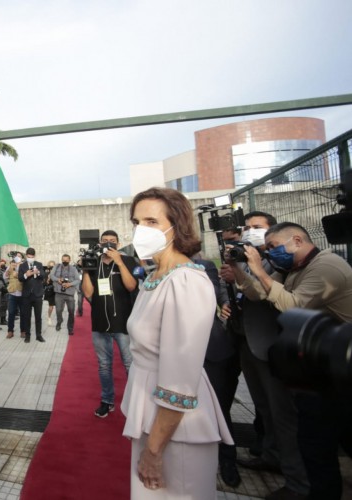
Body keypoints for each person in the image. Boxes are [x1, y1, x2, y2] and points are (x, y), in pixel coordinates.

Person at [121, 187, 232, 498]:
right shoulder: (156, 278)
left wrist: (154, 451)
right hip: (149, 413)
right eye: (136, 221)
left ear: (177, 225)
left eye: (152, 221)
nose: (141, 229)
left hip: (173, 428)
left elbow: (180, 380)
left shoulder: (186, 281)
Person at [231, 221, 352, 500]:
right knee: (316, 439)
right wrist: (240, 270)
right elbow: (262, 293)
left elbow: (292, 306)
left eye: (274, 247)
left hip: (337, 370)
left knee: (319, 440)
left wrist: (260, 269)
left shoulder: (326, 266)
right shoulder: (296, 269)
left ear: (297, 240)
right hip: (320, 367)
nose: (271, 253)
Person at [220, 212, 310, 500]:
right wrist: (237, 274)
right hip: (250, 343)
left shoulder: (286, 263)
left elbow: (284, 302)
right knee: (266, 410)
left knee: (284, 417)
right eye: (247, 227)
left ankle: (298, 482)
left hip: (274, 348)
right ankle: (271, 456)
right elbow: (252, 294)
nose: (250, 232)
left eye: (256, 228)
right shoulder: (262, 259)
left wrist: (255, 268)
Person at [196, 254, 242, 488]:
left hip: (210, 350)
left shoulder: (203, 266)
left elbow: (213, 293)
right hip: (176, 352)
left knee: (219, 409)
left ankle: (227, 461)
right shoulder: (154, 270)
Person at [81, 230, 138, 419]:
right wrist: (86, 271)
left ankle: (136, 403)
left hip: (123, 322)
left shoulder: (128, 261)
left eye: (112, 241)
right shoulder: (94, 262)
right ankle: (107, 401)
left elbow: (131, 286)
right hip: (100, 322)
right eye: (104, 241)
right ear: (99, 242)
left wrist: (119, 261)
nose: (108, 244)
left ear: (118, 243)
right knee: (104, 365)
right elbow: (88, 293)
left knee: (130, 364)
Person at [18, 247, 46, 343]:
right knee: (27, 316)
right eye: (29, 256)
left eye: (32, 256)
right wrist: (26, 274)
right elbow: (20, 278)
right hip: (26, 295)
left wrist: (37, 272)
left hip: (37, 294)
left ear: (34, 256)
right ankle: (27, 335)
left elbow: (43, 276)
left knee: (38, 316)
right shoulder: (22, 266)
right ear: (26, 256)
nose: (31, 258)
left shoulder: (39, 264)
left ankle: (38, 335)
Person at [51, 254, 80, 335]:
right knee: (58, 310)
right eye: (63, 260)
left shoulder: (74, 269)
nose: (65, 261)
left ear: (69, 260)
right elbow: (51, 276)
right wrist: (58, 280)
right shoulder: (56, 267)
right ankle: (59, 321)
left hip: (70, 293)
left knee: (71, 311)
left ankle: (70, 328)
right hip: (59, 293)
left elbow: (77, 280)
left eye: (66, 260)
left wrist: (69, 284)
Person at [3, 253, 24, 339]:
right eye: (16, 256)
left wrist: (18, 273)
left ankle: (23, 331)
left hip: (22, 293)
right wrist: (9, 270)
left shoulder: (24, 266)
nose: (17, 258)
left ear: (22, 258)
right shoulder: (11, 265)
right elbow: (4, 277)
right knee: (11, 313)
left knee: (23, 314)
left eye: (19, 256)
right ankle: (10, 331)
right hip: (12, 293)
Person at [43, 260, 56, 326]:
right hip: (50, 291)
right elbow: (45, 283)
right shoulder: (46, 274)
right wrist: (48, 279)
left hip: (57, 291)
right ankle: (49, 317)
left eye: (53, 267)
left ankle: (59, 319)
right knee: (51, 306)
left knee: (59, 307)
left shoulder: (57, 274)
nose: (52, 268)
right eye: (50, 267)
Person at [0, 259, 9, 325]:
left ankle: (4, 318)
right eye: (1, 263)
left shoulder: (5, 271)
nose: (3, 265)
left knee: (5, 305)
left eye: (4, 263)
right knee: (2, 305)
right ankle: (2, 319)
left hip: (6, 289)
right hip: (1, 289)